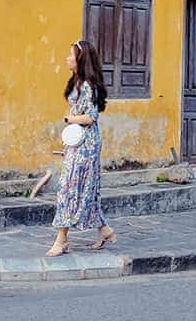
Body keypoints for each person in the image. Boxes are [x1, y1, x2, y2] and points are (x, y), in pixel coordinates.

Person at [48, 39, 113, 256]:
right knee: (86, 188)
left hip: (86, 144)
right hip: (78, 142)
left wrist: (69, 119)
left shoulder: (87, 86)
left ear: (80, 59)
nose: (67, 58)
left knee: (69, 188)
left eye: (70, 55)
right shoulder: (77, 82)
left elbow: (91, 117)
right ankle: (104, 230)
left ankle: (61, 239)